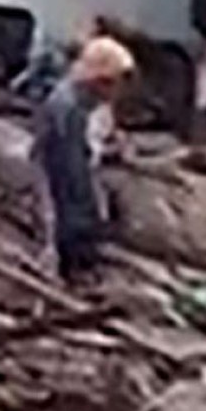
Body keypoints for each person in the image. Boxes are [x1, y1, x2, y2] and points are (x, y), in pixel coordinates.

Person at [32, 36, 134, 282]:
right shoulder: (69, 111)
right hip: (60, 196)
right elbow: (71, 177)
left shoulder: (81, 104)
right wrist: (87, 227)